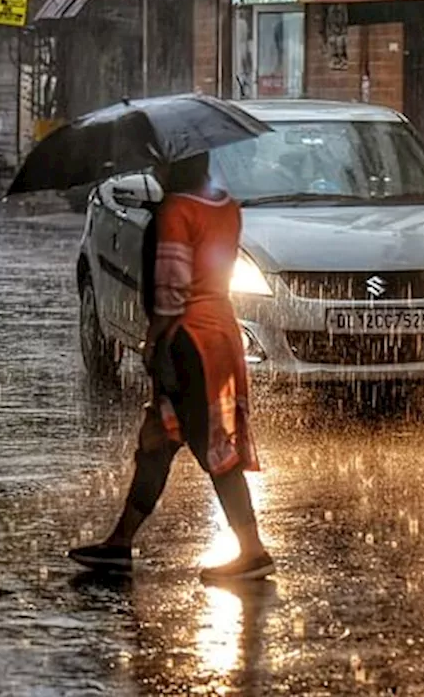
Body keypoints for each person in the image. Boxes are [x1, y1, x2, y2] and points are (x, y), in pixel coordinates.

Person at [69, 152, 275, 582]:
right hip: (220, 334)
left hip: (188, 342)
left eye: (161, 165)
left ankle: (252, 550)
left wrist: (155, 342)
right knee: (158, 442)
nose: (155, 172)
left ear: (175, 169)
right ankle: (120, 542)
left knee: (211, 446)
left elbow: (171, 287)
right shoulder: (226, 207)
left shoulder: (177, 211)